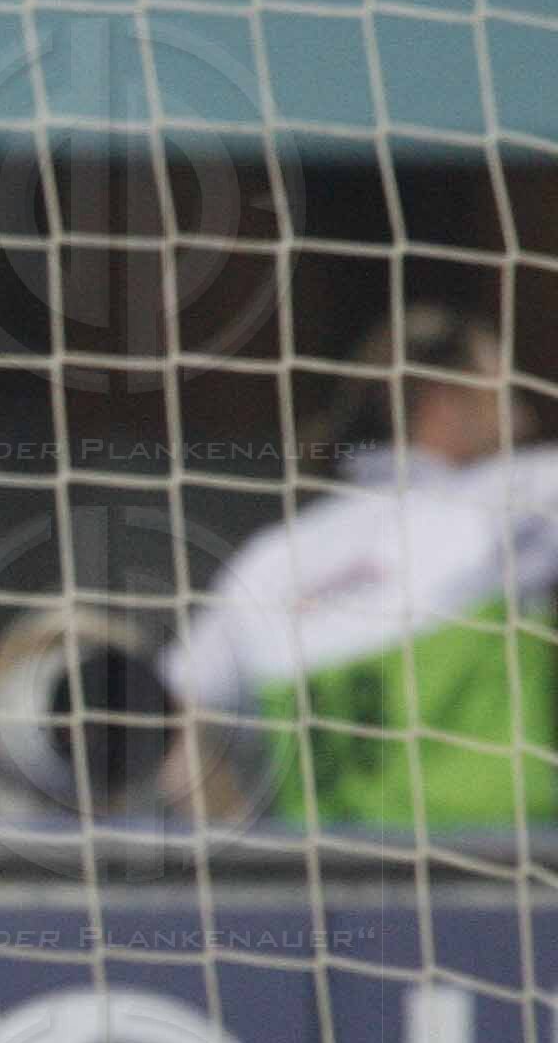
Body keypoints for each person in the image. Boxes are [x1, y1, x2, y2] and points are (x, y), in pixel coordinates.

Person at [161, 299, 558, 830]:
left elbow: (170, 717)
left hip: (331, 873)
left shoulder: (271, 560)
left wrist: (243, 844)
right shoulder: (512, 500)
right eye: (504, 394)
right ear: (444, 403)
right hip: (502, 861)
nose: (524, 417)